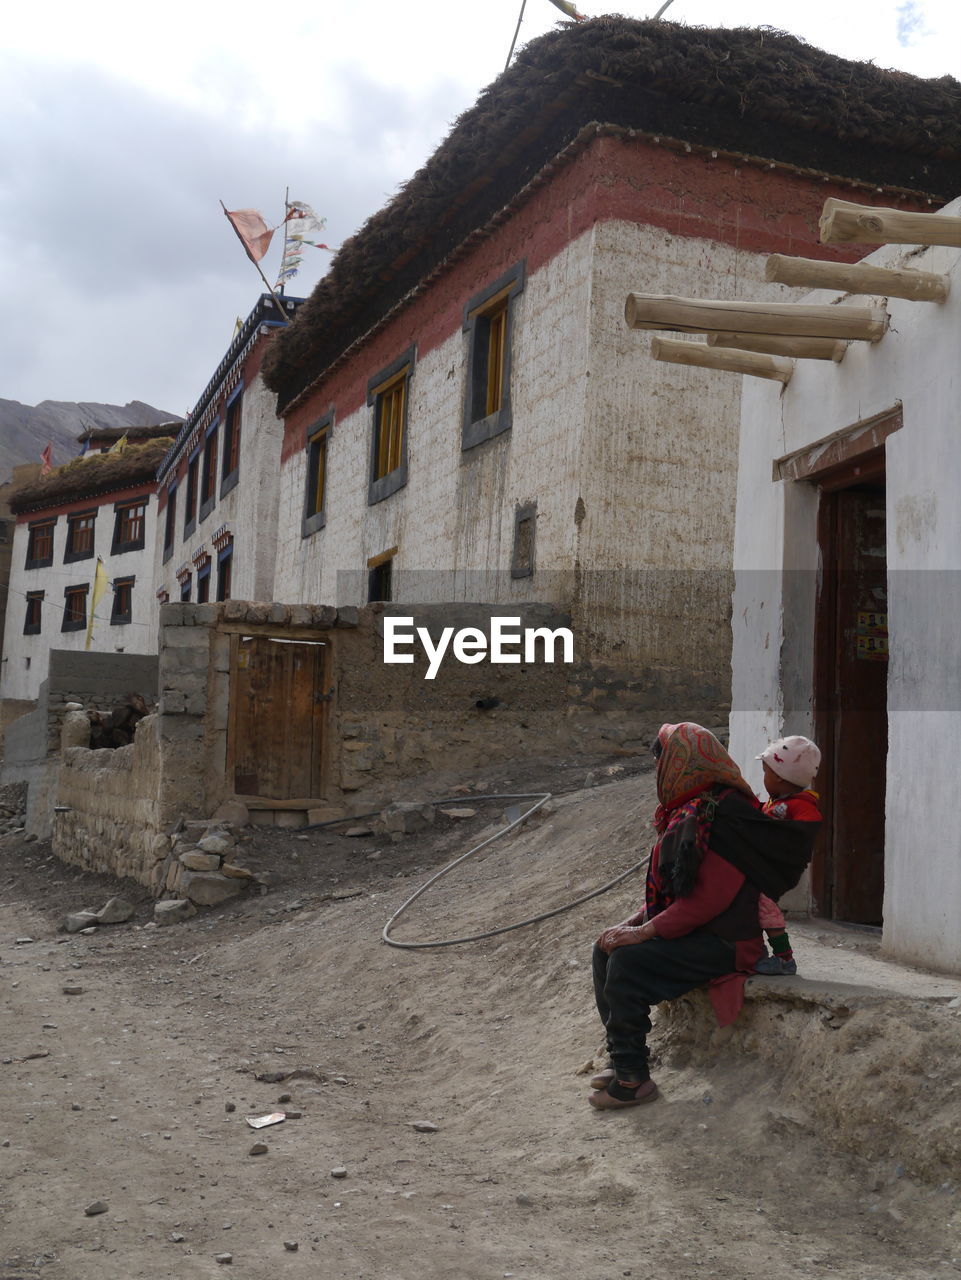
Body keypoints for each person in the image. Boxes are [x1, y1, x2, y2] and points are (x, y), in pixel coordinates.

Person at [589, 722, 817, 1111]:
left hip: (726, 941)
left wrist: (644, 933)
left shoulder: (723, 813)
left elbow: (709, 899)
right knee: (605, 948)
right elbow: (680, 887)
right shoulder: (692, 808)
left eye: (660, 762)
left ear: (679, 763)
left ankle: (632, 1079)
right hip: (698, 931)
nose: (658, 772)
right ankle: (620, 1057)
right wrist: (632, 923)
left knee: (627, 961)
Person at [753, 736, 822, 976]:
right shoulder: (775, 802)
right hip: (762, 868)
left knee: (765, 909)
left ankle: (785, 959)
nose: (764, 779)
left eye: (766, 773)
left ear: (780, 777)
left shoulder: (802, 806)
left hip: (775, 872)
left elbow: (803, 833)